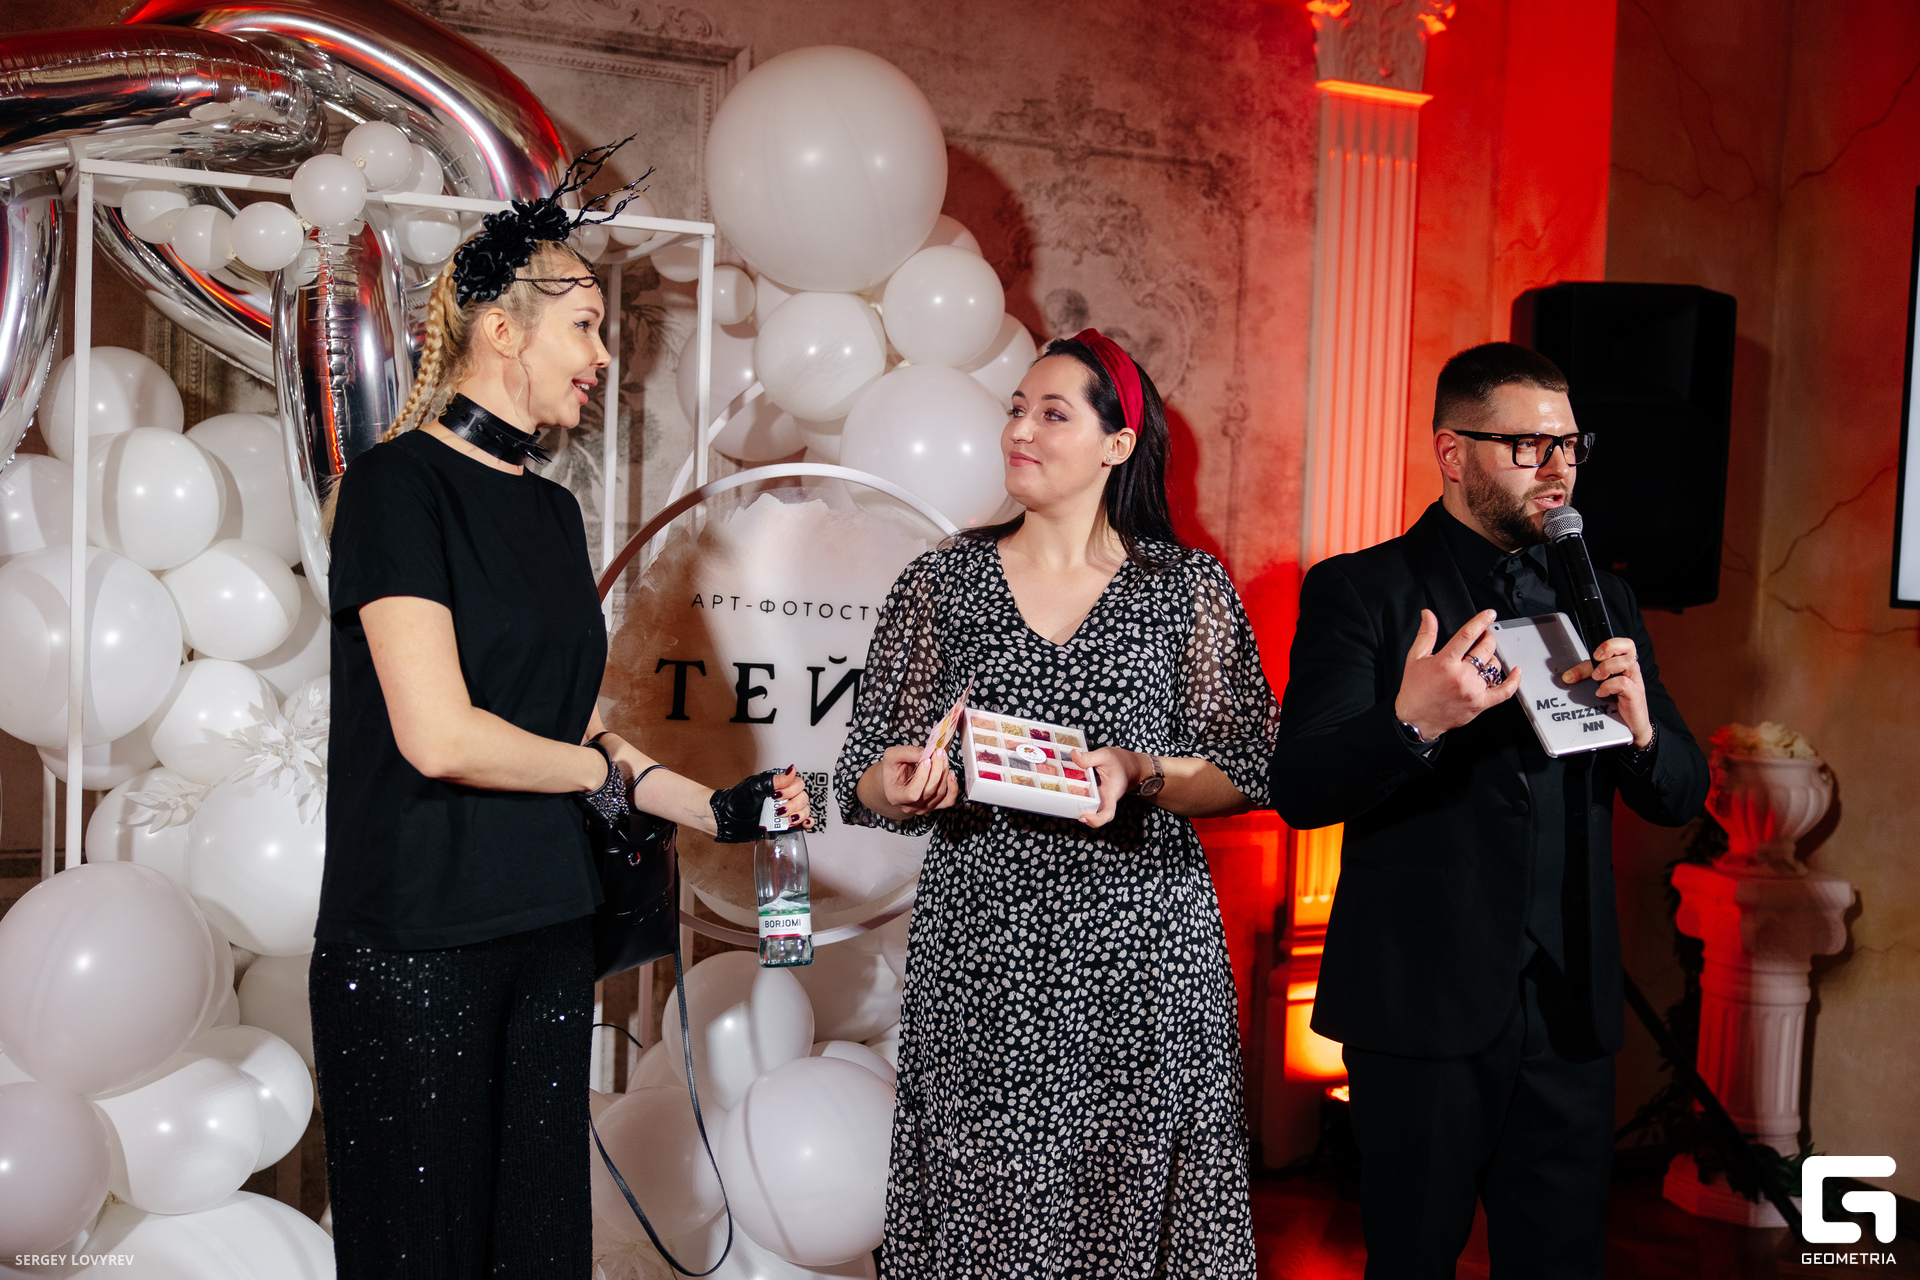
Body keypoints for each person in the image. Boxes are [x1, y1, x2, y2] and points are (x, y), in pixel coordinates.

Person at [311, 145, 809, 1279]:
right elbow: (440, 735)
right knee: (423, 1255)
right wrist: (600, 777)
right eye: (583, 327)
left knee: (538, 1252)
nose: (602, 356)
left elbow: (564, 731)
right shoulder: (395, 487)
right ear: (502, 331)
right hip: (416, 943)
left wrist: (714, 808)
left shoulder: (548, 513)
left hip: (544, 927)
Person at [834, 329, 1282, 1277]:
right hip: (983, 950)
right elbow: (863, 772)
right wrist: (903, 786)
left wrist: (1143, 772)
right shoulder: (944, 580)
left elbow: (1248, 765)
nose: (1019, 431)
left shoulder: (1185, 588)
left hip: (1143, 949)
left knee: (1128, 1196)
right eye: (1014, 410)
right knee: (988, 1203)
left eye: (1051, 413)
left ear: (1119, 443)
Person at [1269, 342, 1709, 1279]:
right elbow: (1300, 788)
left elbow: (1679, 793)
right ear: (1452, 452)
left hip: (1570, 1011)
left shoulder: (1604, 596)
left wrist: (1642, 733)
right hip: (1421, 1009)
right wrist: (1411, 721)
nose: (1557, 469)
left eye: (1569, 445)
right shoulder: (1363, 589)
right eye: (1526, 446)